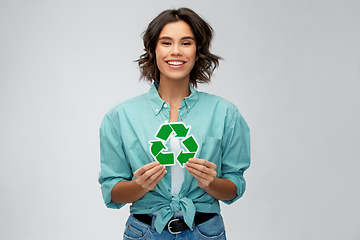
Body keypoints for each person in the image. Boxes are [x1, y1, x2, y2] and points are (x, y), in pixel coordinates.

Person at [98, 8, 250, 239]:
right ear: (153, 50)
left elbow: (234, 187)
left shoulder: (225, 113)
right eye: (166, 43)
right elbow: (112, 192)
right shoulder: (120, 117)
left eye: (186, 43)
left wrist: (211, 183)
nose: (176, 51)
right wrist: (140, 185)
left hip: (205, 231)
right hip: (146, 231)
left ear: (198, 51)